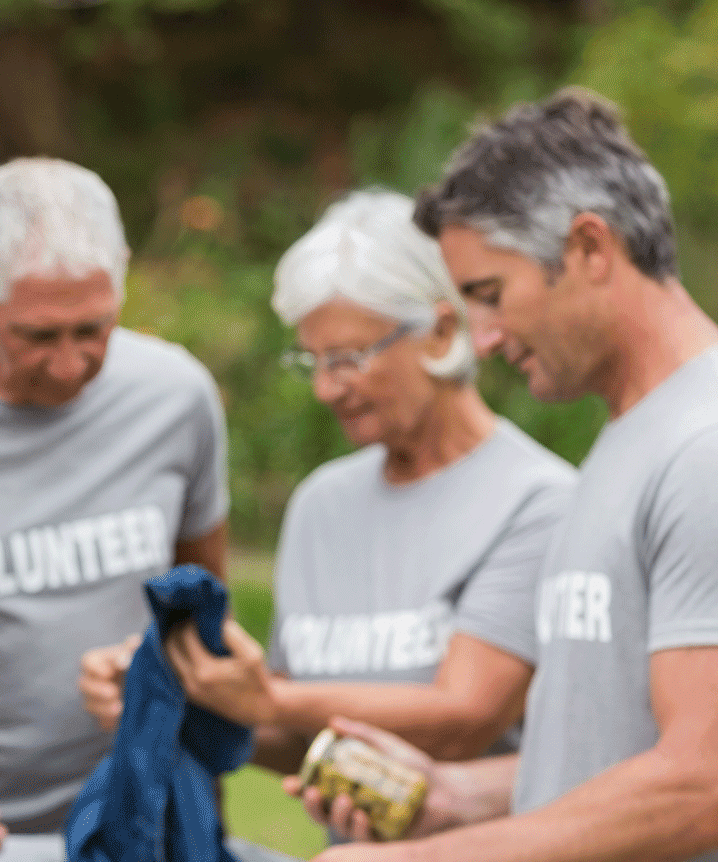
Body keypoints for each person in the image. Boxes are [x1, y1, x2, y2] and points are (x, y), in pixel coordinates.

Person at [300, 88, 718, 862]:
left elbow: (702, 782)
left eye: (492, 296)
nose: (483, 339)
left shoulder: (703, 450)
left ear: (591, 249)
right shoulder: (628, 437)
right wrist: (462, 797)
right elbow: (610, 753)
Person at [78, 189, 574, 780]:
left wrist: (273, 700)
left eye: (347, 358)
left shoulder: (537, 502)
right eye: (313, 361)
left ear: (441, 332)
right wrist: (176, 699)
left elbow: (465, 718)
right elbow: (299, 740)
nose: (326, 390)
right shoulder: (322, 504)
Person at [0, 156, 232, 862]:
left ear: (120, 275)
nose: (68, 363)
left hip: (141, 828)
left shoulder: (176, 397)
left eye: (93, 330)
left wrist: (160, 671)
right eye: (37, 336)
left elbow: (206, 613)